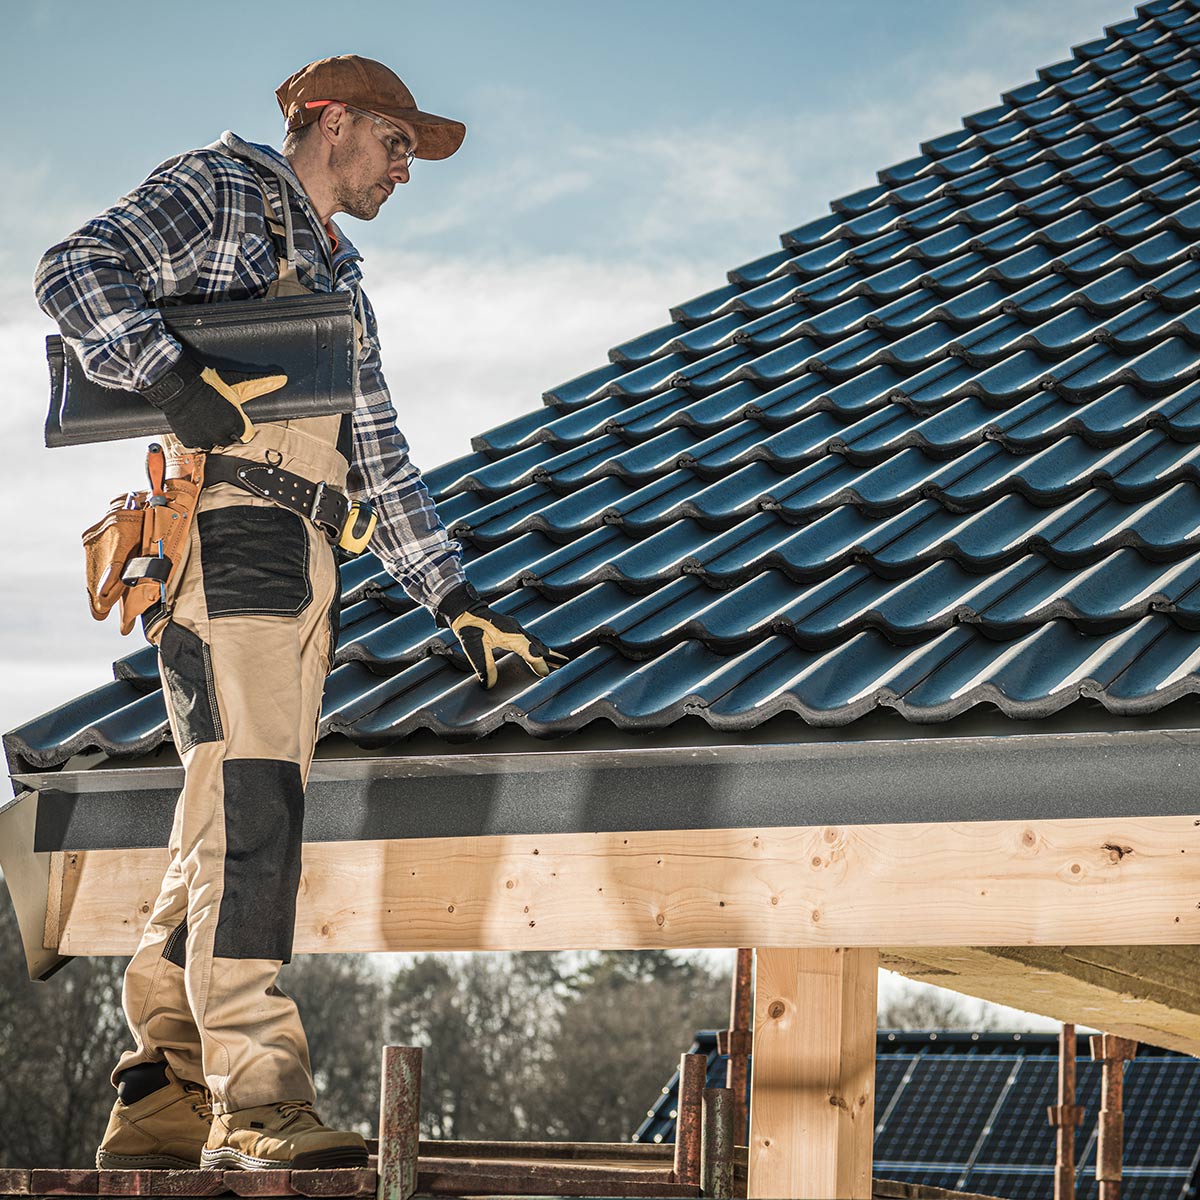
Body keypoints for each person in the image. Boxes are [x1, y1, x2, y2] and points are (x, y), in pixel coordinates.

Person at [34, 54, 565, 1172]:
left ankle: (162, 1091)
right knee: (260, 809)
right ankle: (258, 1099)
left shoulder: (341, 281)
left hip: (299, 553)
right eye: (397, 143)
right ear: (330, 122)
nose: (406, 170)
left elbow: (380, 454)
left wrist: (456, 600)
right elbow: (73, 271)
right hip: (235, 542)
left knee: (218, 818)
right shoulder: (224, 191)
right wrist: (170, 376)